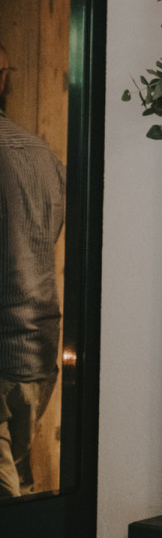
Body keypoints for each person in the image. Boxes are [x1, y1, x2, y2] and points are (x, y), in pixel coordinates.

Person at [0, 43, 66, 498]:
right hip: (38, 348)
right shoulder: (42, 154)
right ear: (4, 79)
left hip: (5, 346)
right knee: (18, 481)